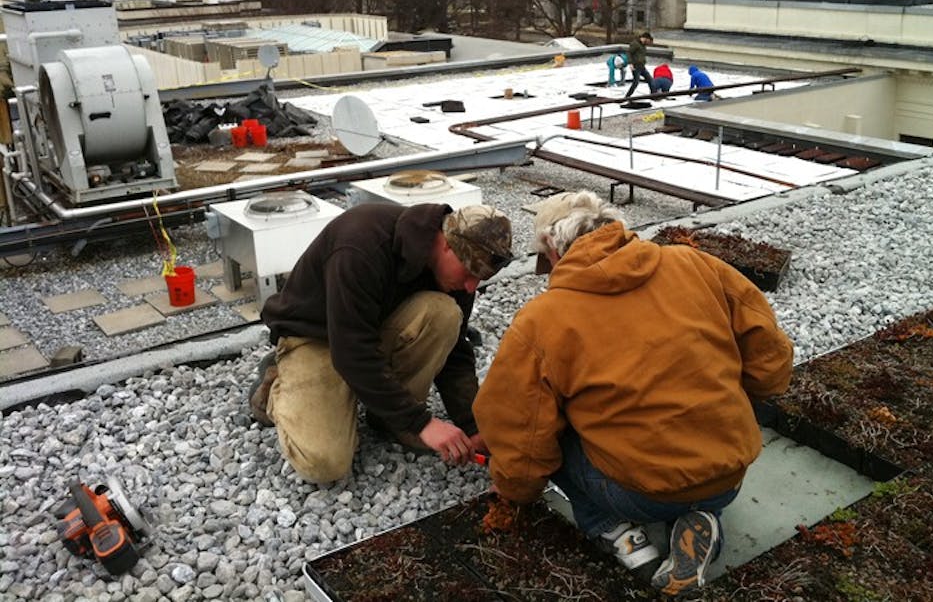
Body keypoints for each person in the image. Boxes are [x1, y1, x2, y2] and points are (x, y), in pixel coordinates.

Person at [473, 191, 793, 596]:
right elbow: (769, 363)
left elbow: (521, 434)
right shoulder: (694, 264)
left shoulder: (544, 319)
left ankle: (616, 533)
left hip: (638, 494)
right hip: (730, 472)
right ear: (615, 227)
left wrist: (513, 489)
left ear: (554, 250)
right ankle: (703, 516)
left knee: (548, 431)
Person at [251, 201, 513, 483]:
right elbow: (352, 350)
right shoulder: (361, 244)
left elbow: (455, 349)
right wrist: (421, 422)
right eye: (470, 273)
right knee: (324, 464)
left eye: (481, 278)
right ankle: (277, 385)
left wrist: (472, 424)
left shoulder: (457, 274)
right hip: (316, 335)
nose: (471, 287)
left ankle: (389, 417)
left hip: (368, 334)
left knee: (446, 313)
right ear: (448, 245)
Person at [623, 31, 655, 98]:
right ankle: (627, 96)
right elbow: (629, 53)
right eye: (648, 41)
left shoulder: (643, 46)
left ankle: (654, 95)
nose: (648, 43)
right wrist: (630, 63)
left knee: (650, 80)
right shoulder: (635, 44)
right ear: (645, 38)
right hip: (636, 67)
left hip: (642, 66)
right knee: (636, 83)